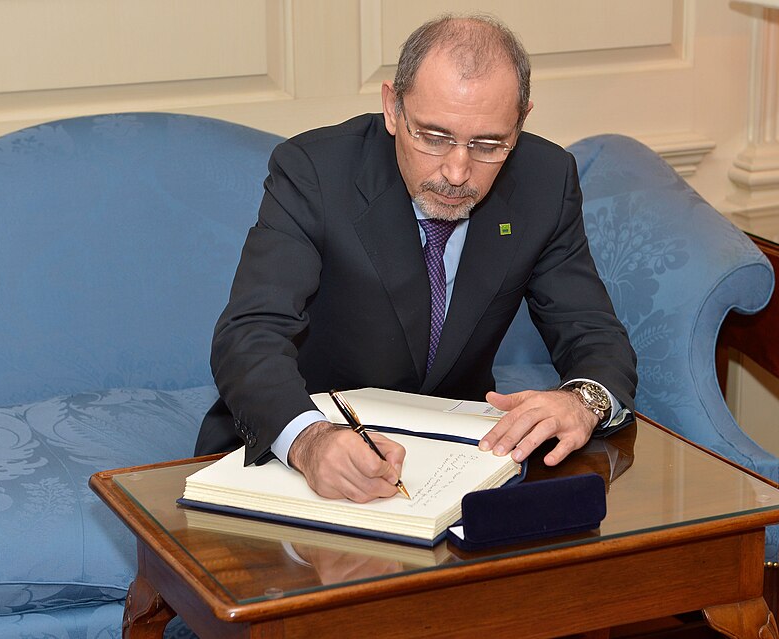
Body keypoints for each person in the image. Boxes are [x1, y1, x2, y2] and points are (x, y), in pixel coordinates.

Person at [195, 13, 637, 503]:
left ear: (522, 121)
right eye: (432, 136)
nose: (456, 170)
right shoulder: (315, 172)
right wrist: (308, 440)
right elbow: (249, 333)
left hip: (456, 460)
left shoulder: (545, 180)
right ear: (392, 108)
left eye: (488, 144)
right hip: (301, 447)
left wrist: (583, 401)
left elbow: (592, 331)